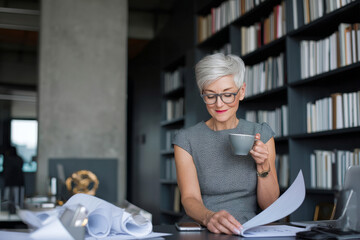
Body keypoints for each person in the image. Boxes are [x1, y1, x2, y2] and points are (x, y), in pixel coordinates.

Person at [172, 53, 280, 235]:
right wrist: (209, 217)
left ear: (242, 91)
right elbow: (189, 198)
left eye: (228, 94)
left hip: (248, 229)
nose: (219, 103)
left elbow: (269, 205)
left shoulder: (261, 134)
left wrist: (263, 164)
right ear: (202, 95)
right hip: (203, 228)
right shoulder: (186, 139)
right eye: (210, 96)